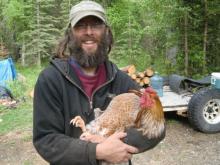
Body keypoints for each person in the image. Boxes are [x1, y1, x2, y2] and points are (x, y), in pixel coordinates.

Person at [33, 1, 165, 165]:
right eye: (81, 25)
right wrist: (97, 151)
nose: (89, 32)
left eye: (96, 25)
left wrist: (118, 146)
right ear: (70, 33)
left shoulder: (122, 81)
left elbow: (156, 128)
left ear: (106, 32)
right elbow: (46, 139)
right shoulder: (51, 80)